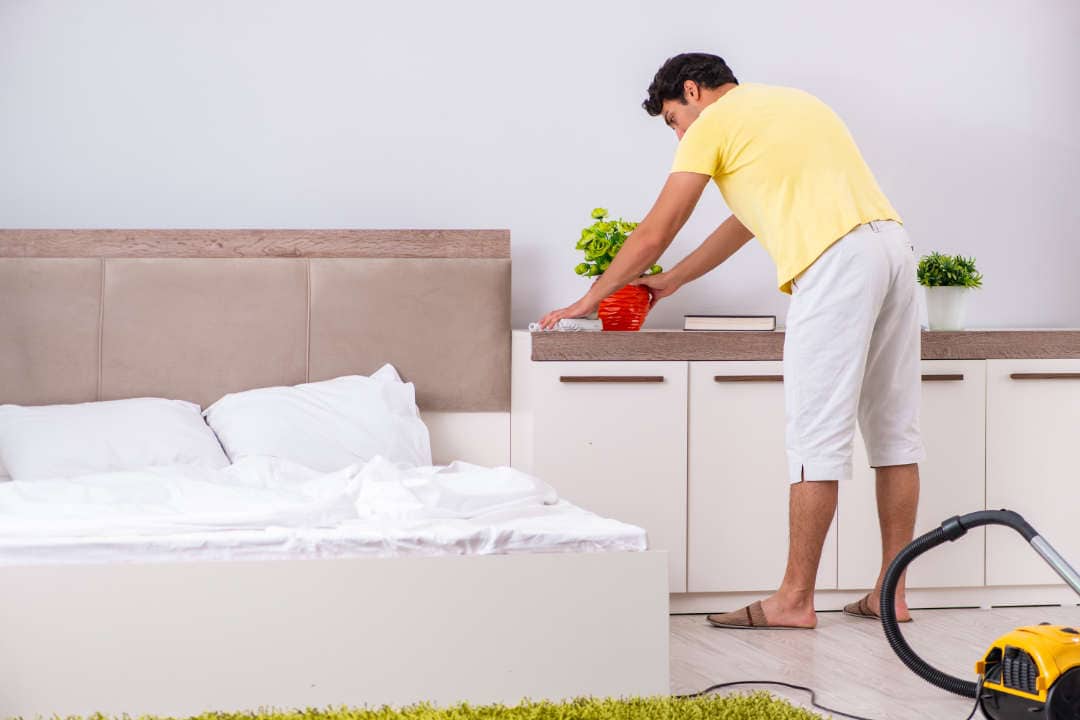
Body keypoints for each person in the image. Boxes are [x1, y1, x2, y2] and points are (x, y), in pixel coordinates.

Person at [539, 53, 923, 629]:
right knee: (895, 433)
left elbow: (655, 230)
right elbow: (744, 223)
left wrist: (587, 301)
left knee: (815, 438)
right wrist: (670, 282)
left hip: (837, 265)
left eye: (673, 118)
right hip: (893, 251)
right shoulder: (793, 104)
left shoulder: (713, 123)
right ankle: (891, 595)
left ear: (692, 92)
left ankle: (794, 600)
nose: (677, 132)